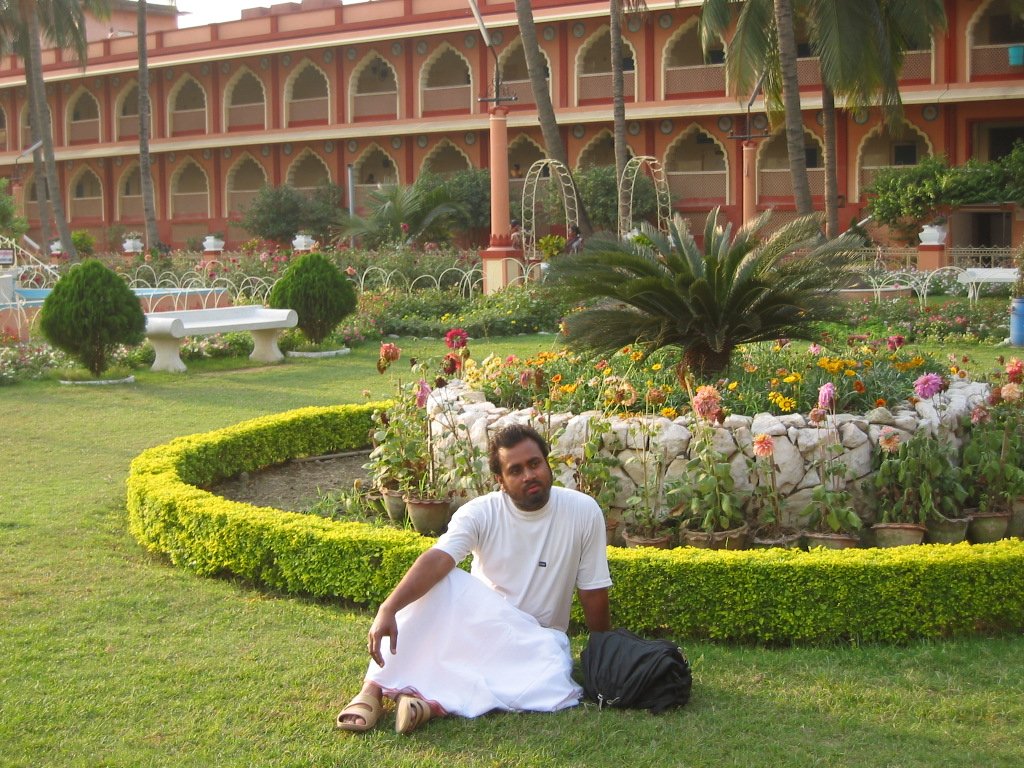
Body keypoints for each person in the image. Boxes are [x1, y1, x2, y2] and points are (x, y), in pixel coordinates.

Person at [336, 424, 612, 735]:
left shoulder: (583, 511)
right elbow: (439, 557)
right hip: (479, 627)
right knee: (440, 579)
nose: (528, 476)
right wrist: (388, 608)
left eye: (534, 464)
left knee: (555, 680)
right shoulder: (480, 512)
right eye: (515, 470)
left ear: (547, 463)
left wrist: (606, 654)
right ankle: (371, 689)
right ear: (501, 481)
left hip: (536, 640)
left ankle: (429, 705)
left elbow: (593, 590)